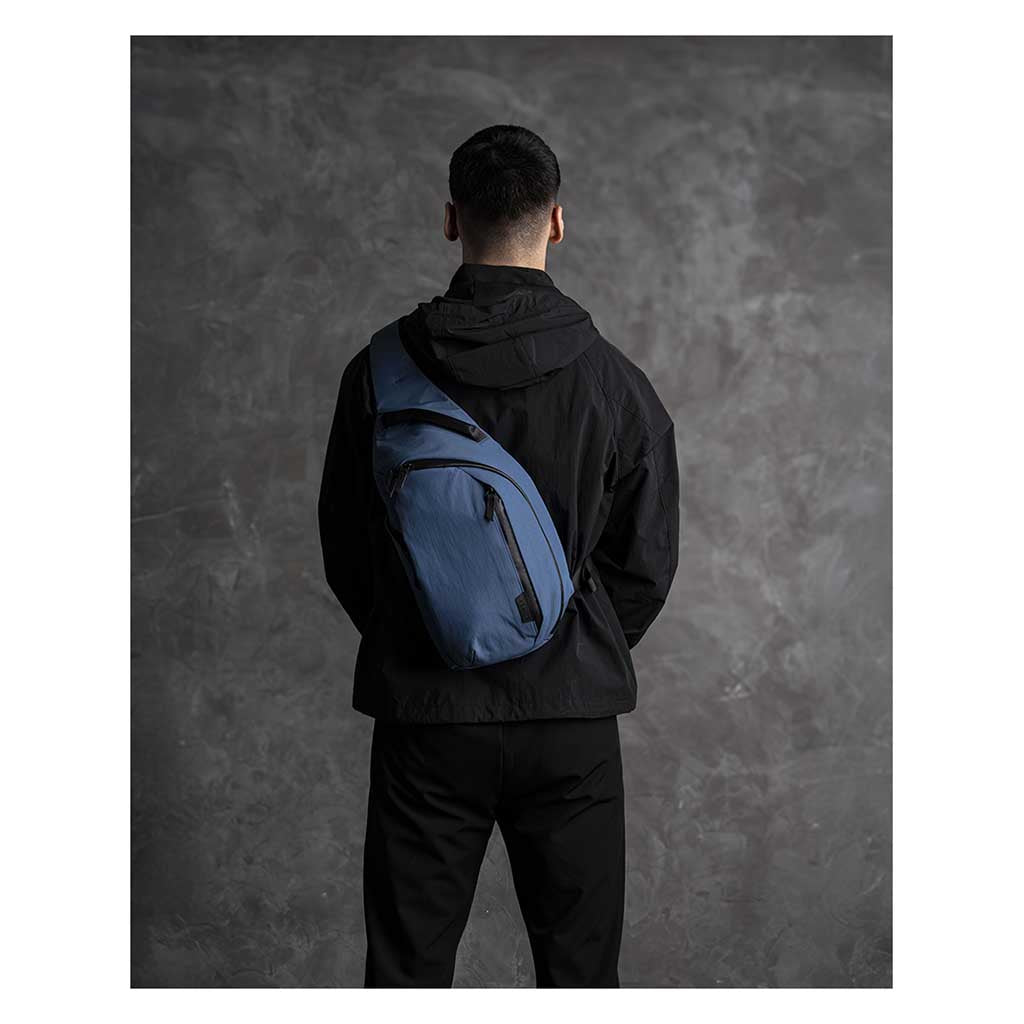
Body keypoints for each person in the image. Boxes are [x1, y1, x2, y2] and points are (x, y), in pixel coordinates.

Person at [318, 124, 680, 988]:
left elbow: (348, 548)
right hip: (571, 717)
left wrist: (434, 628)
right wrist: (566, 639)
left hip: (426, 715)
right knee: (579, 974)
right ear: (557, 221)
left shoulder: (379, 371)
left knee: (406, 972)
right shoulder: (615, 381)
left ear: (452, 219)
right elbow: (645, 562)